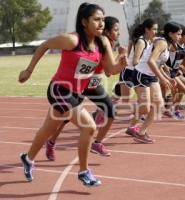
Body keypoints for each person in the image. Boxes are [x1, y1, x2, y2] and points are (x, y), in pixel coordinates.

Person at [18, 3, 127, 187]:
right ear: (84, 22)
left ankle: (28, 158)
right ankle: (84, 172)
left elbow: (110, 70)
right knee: (90, 127)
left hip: (77, 92)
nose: (101, 24)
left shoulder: (103, 42)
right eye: (96, 20)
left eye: (102, 19)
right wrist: (29, 70)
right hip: (59, 89)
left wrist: (121, 63)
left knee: (47, 130)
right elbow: (44, 45)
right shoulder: (71, 40)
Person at [45, 15, 126, 161]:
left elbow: (108, 72)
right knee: (65, 118)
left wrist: (119, 59)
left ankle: (97, 143)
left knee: (110, 110)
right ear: (106, 31)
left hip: (93, 83)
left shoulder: (108, 44)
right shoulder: (99, 40)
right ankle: (51, 142)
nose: (118, 33)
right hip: (82, 82)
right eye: (115, 30)